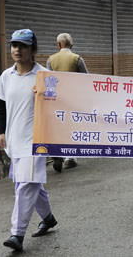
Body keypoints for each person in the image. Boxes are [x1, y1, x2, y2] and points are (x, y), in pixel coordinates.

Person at [0, 29, 58, 252]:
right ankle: (48, 217)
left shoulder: (44, 75)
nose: (17, 50)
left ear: (32, 49)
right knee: (30, 182)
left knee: (26, 185)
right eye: (14, 45)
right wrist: (1, 132)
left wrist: (46, 95)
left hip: (37, 140)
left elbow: (55, 107)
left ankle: (17, 234)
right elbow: (1, 105)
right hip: (14, 139)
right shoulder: (6, 76)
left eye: (22, 46)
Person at [46, 32, 89, 172]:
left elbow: (48, 80)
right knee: (73, 127)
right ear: (72, 45)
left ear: (58, 45)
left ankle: (59, 154)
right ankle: (70, 157)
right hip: (73, 99)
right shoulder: (77, 59)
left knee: (60, 127)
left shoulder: (51, 60)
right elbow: (86, 79)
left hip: (57, 100)